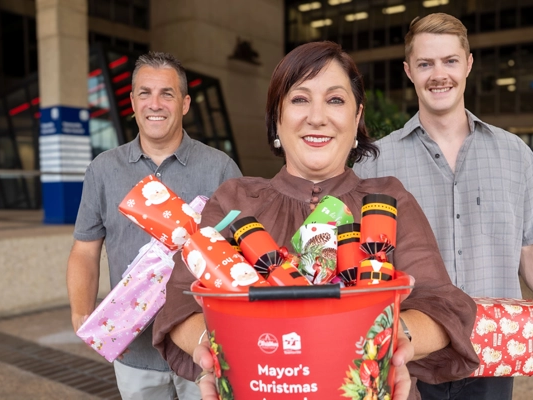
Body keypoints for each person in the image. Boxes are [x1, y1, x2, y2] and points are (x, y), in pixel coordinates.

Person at [152, 41, 480, 400]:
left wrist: (391, 336)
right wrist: (214, 344)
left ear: (356, 117)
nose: (317, 117)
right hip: (264, 384)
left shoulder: (387, 201)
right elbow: (181, 303)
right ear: (276, 118)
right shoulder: (236, 201)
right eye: (300, 99)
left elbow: (440, 305)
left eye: (335, 100)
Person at [354, 13, 533, 400]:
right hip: (410, 360)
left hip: (493, 352)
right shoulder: (374, 164)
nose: (439, 75)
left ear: (468, 64)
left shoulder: (515, 154)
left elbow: (531, 248)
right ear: (409, 71)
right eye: (425, 64)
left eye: (450, 61)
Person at [67, 51, 242, 400]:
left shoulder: (220, 167)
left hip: (202, 350)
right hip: (136, 352)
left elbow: (242, 250)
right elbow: (85, 249)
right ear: (132, 102)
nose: (155, 104)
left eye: (167, 94)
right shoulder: (104, 169)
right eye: (145, 93)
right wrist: (81, 313)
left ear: (185, 104)